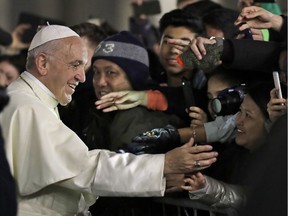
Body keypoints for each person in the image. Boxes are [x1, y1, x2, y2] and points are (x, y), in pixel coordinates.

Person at [0, 24, 218, 216]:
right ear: (43, 63)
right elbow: (85, 168)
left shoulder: (30, 101)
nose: (83, 77)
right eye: (75, 65)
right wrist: (163, 165)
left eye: (110, 73)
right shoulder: (26, 107)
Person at [181, 81, 287, 209]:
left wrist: (206, 188)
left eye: (248, 115)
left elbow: (250, 197)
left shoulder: (278, 167)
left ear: (271, 123)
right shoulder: (229, 157)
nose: (238, 120)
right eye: (240, 112)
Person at [84, 30, 185, 152]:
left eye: (111, 73)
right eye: (96, 72)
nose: (100, 82)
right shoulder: (93, 109)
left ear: (135, 78)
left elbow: (122, 168)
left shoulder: (138, 119)